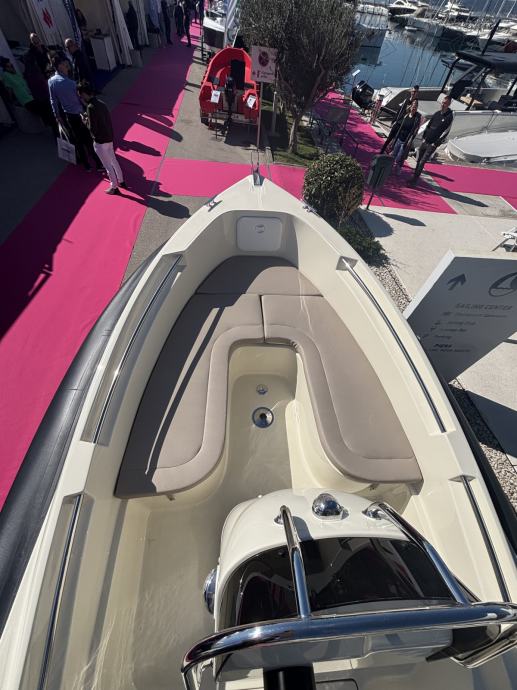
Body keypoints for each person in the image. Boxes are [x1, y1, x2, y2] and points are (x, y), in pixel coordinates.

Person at [48, 55, 102, 171]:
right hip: (80, 114)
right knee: (88, 139)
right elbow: (80, 100)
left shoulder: (51, 82)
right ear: (60, 66)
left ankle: (87, 165)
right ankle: (98, 164)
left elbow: (53, 100)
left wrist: (57, 115)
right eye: (65, 64)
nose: (67, 66)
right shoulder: (71, 84)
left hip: (68, 115)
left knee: (77, 140)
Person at [78, 82, 126, 194]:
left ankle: (114, 187)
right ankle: (121, 181)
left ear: (84, 94)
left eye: (80, 95)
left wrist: (85, 121)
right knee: (113, 160)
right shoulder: (101, 103)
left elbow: (92, 128)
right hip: (109, 138)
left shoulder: (90, 107)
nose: (80, 98)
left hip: (100, 141)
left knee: (107, 165)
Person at [0, 56, 54, 129]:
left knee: (46, 107)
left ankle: (50, 124)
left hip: (31, 96)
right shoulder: (5, 75)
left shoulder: (15, 73)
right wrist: (11, 101)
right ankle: (51, 125)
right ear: (5, 66)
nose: (11, 64)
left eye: (10, 63)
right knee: (43, 109)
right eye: (8, 64)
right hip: (25, 99)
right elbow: (9, 89)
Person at [409, 95, 453, 184]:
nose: (442, 104)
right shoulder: (437, 113)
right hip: (425, 140)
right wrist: (424, 137)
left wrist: (436, 143)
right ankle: (414, 176)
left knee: (422, 162)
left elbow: (446, 132)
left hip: (432, 144)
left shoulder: (449, 117)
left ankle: (414, 180)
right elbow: (429, 125)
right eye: (442, 102)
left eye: (445, 103)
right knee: (418, 160)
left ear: (449, 104)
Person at [387, 99, 422, 172]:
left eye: (415, 107)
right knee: (394, 154)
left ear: (417, 108)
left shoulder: (417, 118)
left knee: (399, 156)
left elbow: (415, 131)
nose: (414, 108)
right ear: (410, 106)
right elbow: (400, 126)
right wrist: (394, 137)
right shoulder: (406, 115)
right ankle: (390, 167)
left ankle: (398, 167)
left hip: (406, 141)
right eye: (413, 106)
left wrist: (410, 139)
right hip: (399, 138)